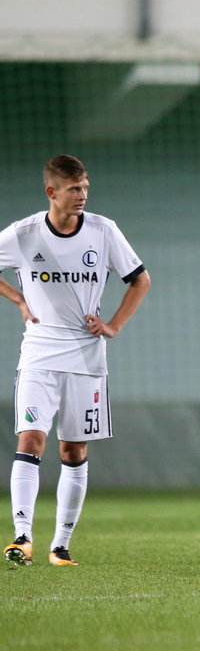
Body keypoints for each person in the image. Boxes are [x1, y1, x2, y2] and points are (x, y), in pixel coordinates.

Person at [0, 155, 150, 566]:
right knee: (30, 438)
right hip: (40, 352)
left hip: (86, 356)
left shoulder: (104, 231)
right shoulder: (24, 233)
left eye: (85, 187)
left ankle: (60, 545)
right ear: (52, 192)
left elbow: (140, 279)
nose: (82, 195)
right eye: (73, 189)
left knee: (72, 450)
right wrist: (17, 298)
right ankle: (22, 537)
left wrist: (114, 326)